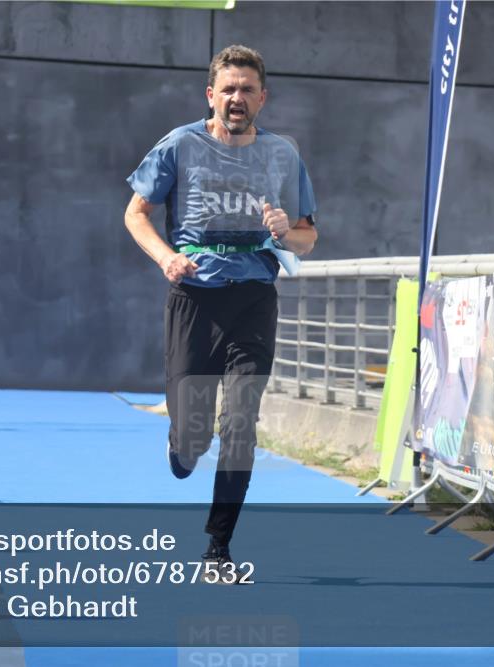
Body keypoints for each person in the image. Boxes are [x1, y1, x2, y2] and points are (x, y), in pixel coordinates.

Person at [124, 45, 318, 579]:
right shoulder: (179, 145)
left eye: (247, 89)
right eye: (227, 89)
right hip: (194, 298)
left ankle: (218, 547)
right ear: (210, 95)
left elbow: (307, 236)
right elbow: (135, 214)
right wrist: (166, 258)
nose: (237, 98)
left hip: (254, 298)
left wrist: (286, 232)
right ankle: (182, 447)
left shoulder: (282, 155)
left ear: (263, 97)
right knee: (193, 442)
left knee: (240, 425)